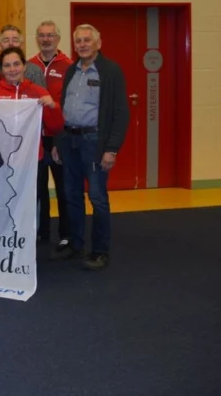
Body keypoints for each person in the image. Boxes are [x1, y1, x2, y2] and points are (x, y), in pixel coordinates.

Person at [53, 25, 129, 271]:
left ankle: (100, 251)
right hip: (70, 140)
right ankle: (76, 244)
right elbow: (64, 107)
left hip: (94, 142)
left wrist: (112, 149)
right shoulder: (71, 70)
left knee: (97, 198)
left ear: (98, 43)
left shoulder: (110, 71)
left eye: (87, 40)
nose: (82, 45)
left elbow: (120, 112)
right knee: (72, 195)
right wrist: (59, 142)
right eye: (78, 41)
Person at [0, 47, 64, 226]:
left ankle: (30, 239)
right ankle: (3, 237)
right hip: (3, 161)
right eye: (7, 65)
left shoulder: (38, 92)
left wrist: (52, 106)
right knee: (3, 201)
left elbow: (55, 126)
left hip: (32, 159)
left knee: (30, 202)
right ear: (1, 69)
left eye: (16, 64)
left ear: (24, 66)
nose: (12, 69)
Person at [31, 20, 72, 245]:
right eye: (42, 35)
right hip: (35, 137)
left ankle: (66, 234)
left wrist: (60, 135)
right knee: (38, 188)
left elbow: (71, 104)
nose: (46, 39)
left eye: (50, 35)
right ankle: (42, 232)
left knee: (64, 189)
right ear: (37, 39)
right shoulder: (28, 65)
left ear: (58, 39)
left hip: (59, 137)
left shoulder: (69, 66)